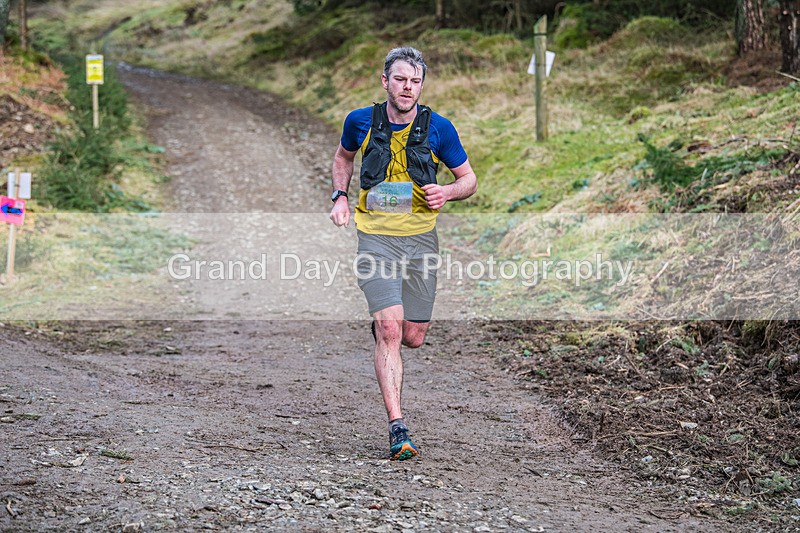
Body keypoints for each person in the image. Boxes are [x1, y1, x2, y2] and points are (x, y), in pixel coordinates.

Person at [329, 46, 477, 461]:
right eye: (400, 79)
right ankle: (398, 427)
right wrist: (340, 196)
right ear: (385, 81)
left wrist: (447, 191)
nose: (407, 87)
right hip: (375, 238)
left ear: (421, 86)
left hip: (421, 240)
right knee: (392, 331)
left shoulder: (439, 128)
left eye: (414, 81)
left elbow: (469, 180)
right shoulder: (359, 121)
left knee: (412, 336)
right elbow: (343, 157)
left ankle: (386, 329)